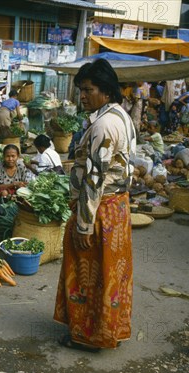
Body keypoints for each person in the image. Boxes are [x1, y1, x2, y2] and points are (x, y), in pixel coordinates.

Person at [54, 58, 136, 351]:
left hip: (99, 209)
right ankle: (107, 329)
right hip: (116, 207)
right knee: (110, 272)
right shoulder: (121, 117)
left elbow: (94, 178)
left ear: (106, 90)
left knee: (89, 272)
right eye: (81, 90)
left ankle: (88, 336)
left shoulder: (104, 124)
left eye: (88, 90)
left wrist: (84, 225)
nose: (83, 96)